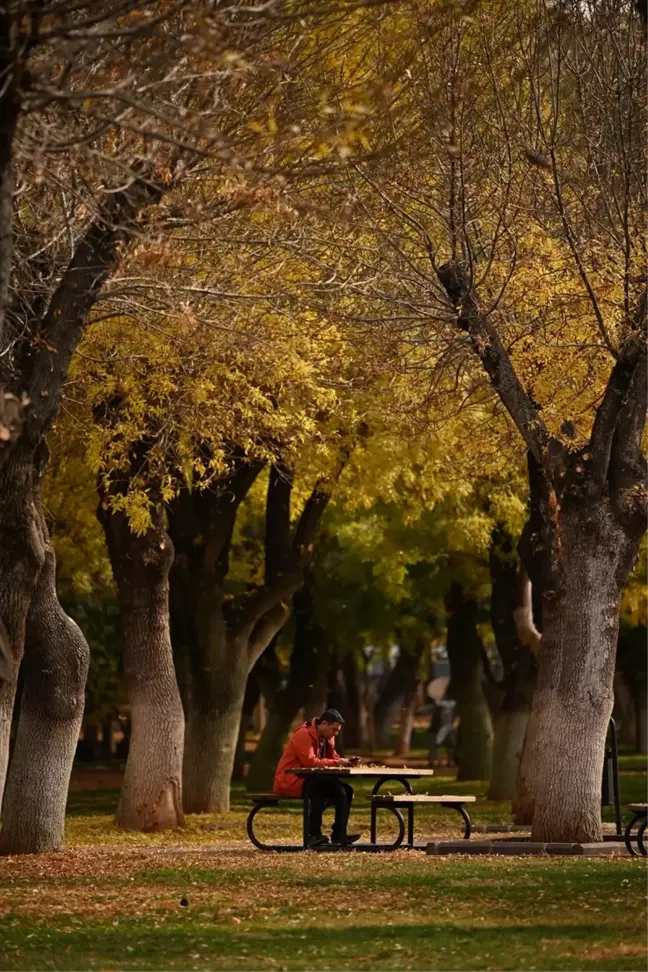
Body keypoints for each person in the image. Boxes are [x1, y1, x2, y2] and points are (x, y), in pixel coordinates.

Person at [273, 708, 362, 848]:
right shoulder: (303, 734)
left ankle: (339, 834)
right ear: (324, 723)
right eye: (334, 729)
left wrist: (345, 761)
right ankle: (313, 834)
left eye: (337, 730)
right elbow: (310, 762)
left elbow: (333, 758)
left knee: (346, 790)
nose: (336, 733)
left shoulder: (328, 737)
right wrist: (337, 762)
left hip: (311, 779)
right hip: (290, 780)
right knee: (318, 787)